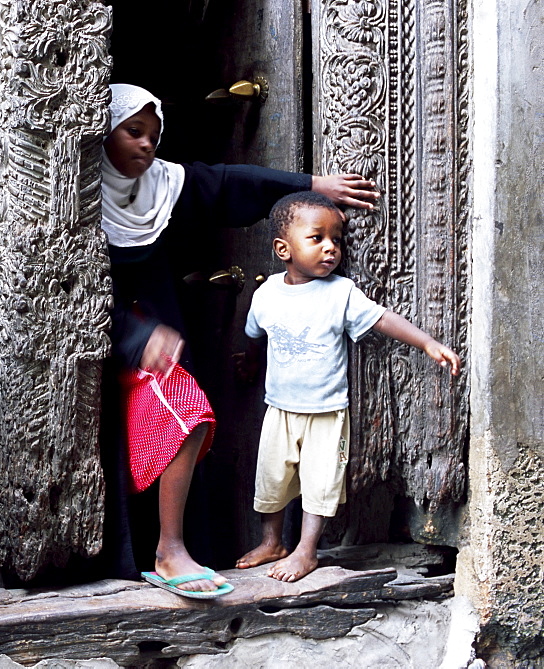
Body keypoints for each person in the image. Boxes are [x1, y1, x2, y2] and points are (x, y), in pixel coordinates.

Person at [100, 83, 380, 598]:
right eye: (132, 131)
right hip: (112, 346)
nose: (146, 146)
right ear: (101, 132)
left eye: (154, 136)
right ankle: (162, 555)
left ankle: (169, 551)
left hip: (157, 352)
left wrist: (313, 184)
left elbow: (230, 184)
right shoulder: (76, 197)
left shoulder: (162, 185)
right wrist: (136, 334)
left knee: (184, 420)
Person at [236, 190, 461, 582]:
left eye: (336, 240)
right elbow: (257, 335)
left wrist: (427, 342)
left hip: (326, 410)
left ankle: (306, 550)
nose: (330, 249)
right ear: (282, 249)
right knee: (271, 478)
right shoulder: (266, 294)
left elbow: (382, 320)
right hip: (281, 408)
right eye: (317, 238)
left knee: (320, 484)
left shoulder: (339, 292)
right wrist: (250, 364)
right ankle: (271, 541)